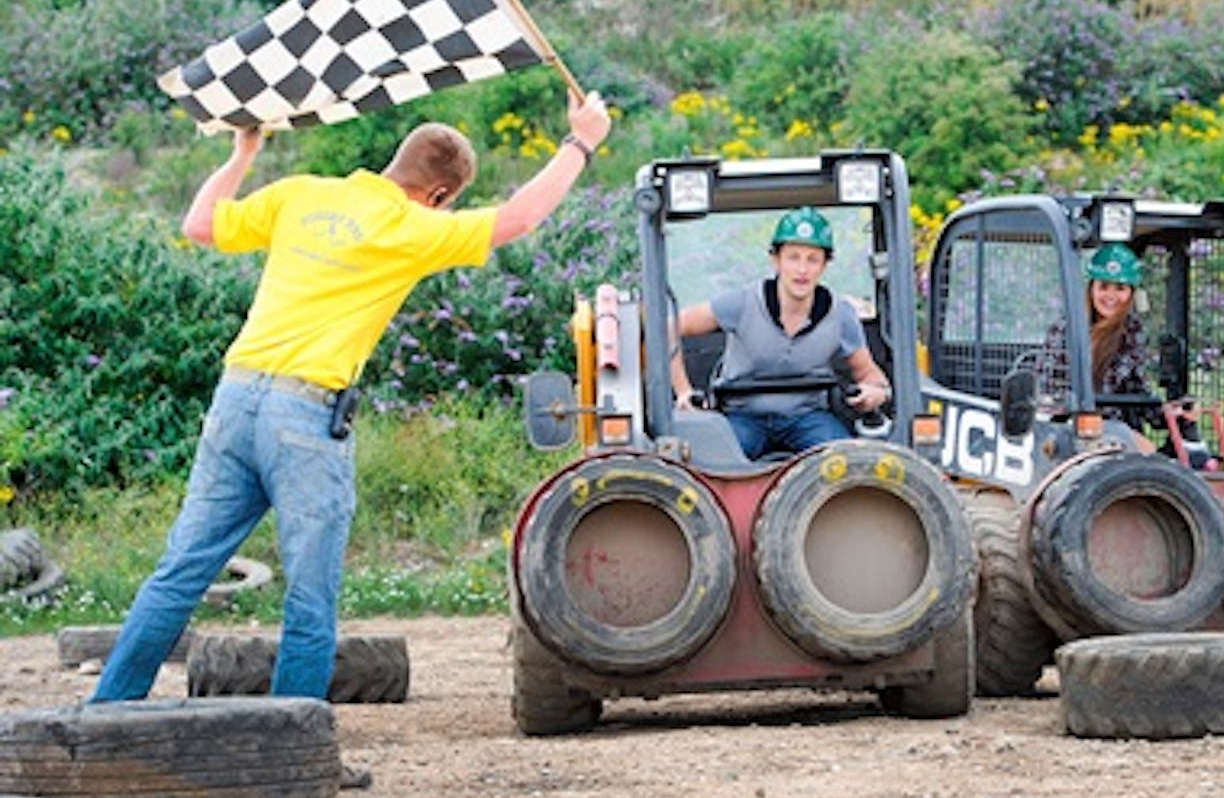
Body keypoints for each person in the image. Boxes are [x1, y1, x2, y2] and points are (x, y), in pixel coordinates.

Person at [90, 91, 611, 708]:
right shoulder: (409, 226)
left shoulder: (302, 193)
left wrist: (242, 153)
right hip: (306, 416)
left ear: (396, 162)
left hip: (233, 399)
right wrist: (581, 143)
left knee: (180, 573)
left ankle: (105, 716)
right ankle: (290, 743)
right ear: (440, 196)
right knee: (310, 596)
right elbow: (519, 219)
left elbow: (199, 225)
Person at [669, 206, 891, 459]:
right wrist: (683, 391)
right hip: (744, 416)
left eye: (812, 259)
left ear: (824, 265)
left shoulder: (840, 315)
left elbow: (870, 374)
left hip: (807, 418)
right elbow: (669, 327)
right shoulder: (741, 304)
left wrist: (877, 392)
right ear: (776, 260)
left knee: (848, 463)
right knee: (716, 463)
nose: (802, 269)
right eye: (793, 257)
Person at [1038, 242, 1157, 450]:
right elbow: (1049, 385)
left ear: (1131, 293)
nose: (1111, 296)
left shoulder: (1133, 332)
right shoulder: (1068, 329)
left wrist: (1165, 413)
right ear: (1091, 288)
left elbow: (1135, 388)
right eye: (1103, 286)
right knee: (1146, 451)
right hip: (1069, 427)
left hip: (1112, 427)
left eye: (1120, 288)